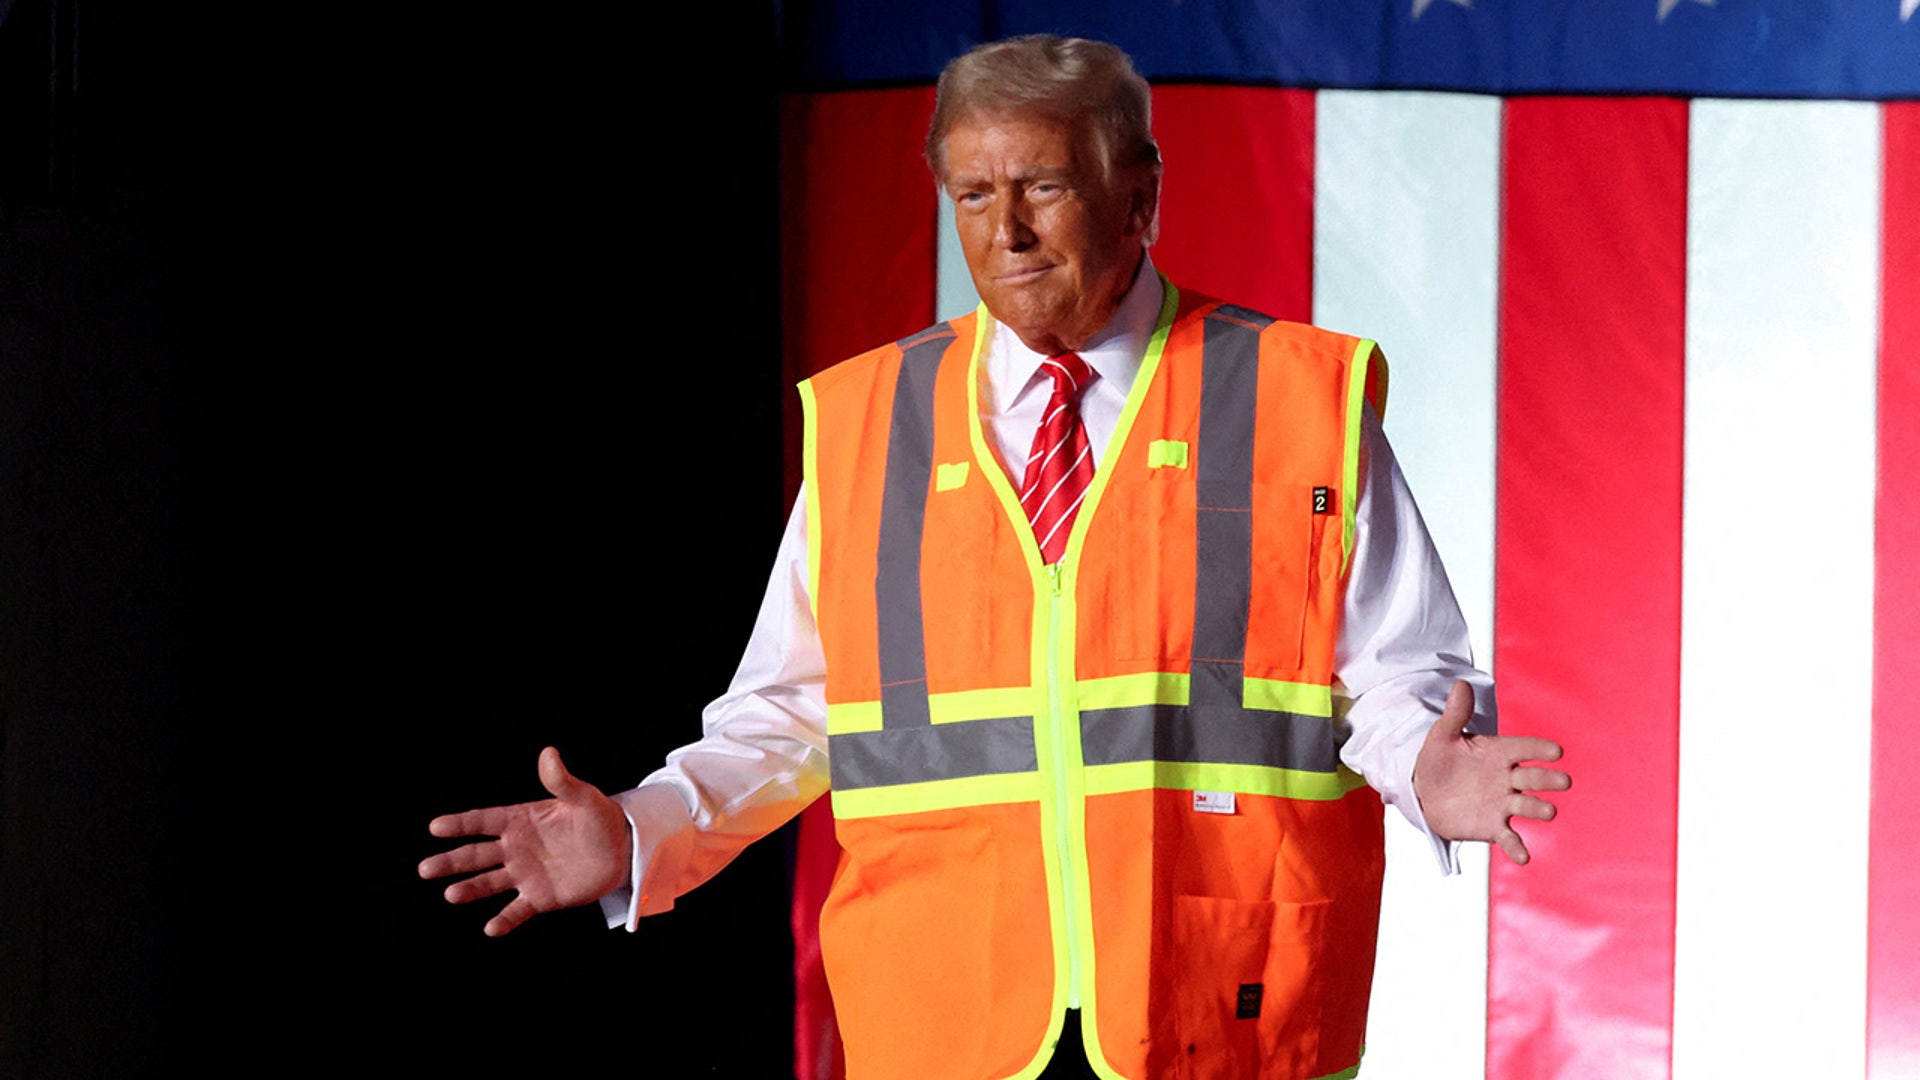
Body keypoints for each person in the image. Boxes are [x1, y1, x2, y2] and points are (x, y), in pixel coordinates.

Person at [419, 34, 1570, 1080]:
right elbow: (788, 715)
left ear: (1142, 197)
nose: (1004, 233)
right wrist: (638, 831)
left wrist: (1426, 767)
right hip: (944, 1024)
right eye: (972, 195)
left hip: (1220, 1006)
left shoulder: (1295, 397)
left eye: (1044, 188)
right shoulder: (872, 421)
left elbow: (1393, 667)